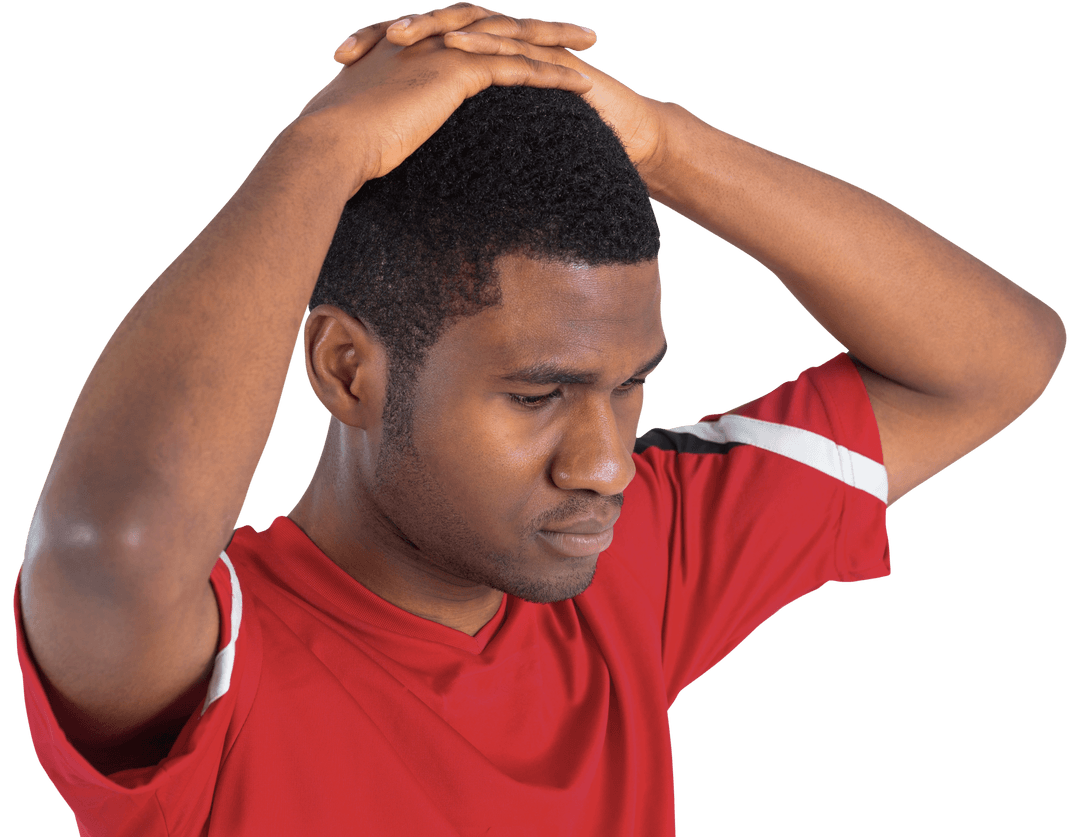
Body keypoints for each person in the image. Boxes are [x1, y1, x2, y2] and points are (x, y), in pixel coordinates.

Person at [12, 4, 1066, 836]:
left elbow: (995, 362)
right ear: (346, 370)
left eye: (629, 385)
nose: (605, 464)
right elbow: (111, 542)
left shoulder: (631, 560)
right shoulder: (214, 662)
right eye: (538, 395)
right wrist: (324, 150)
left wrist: (663, 146)